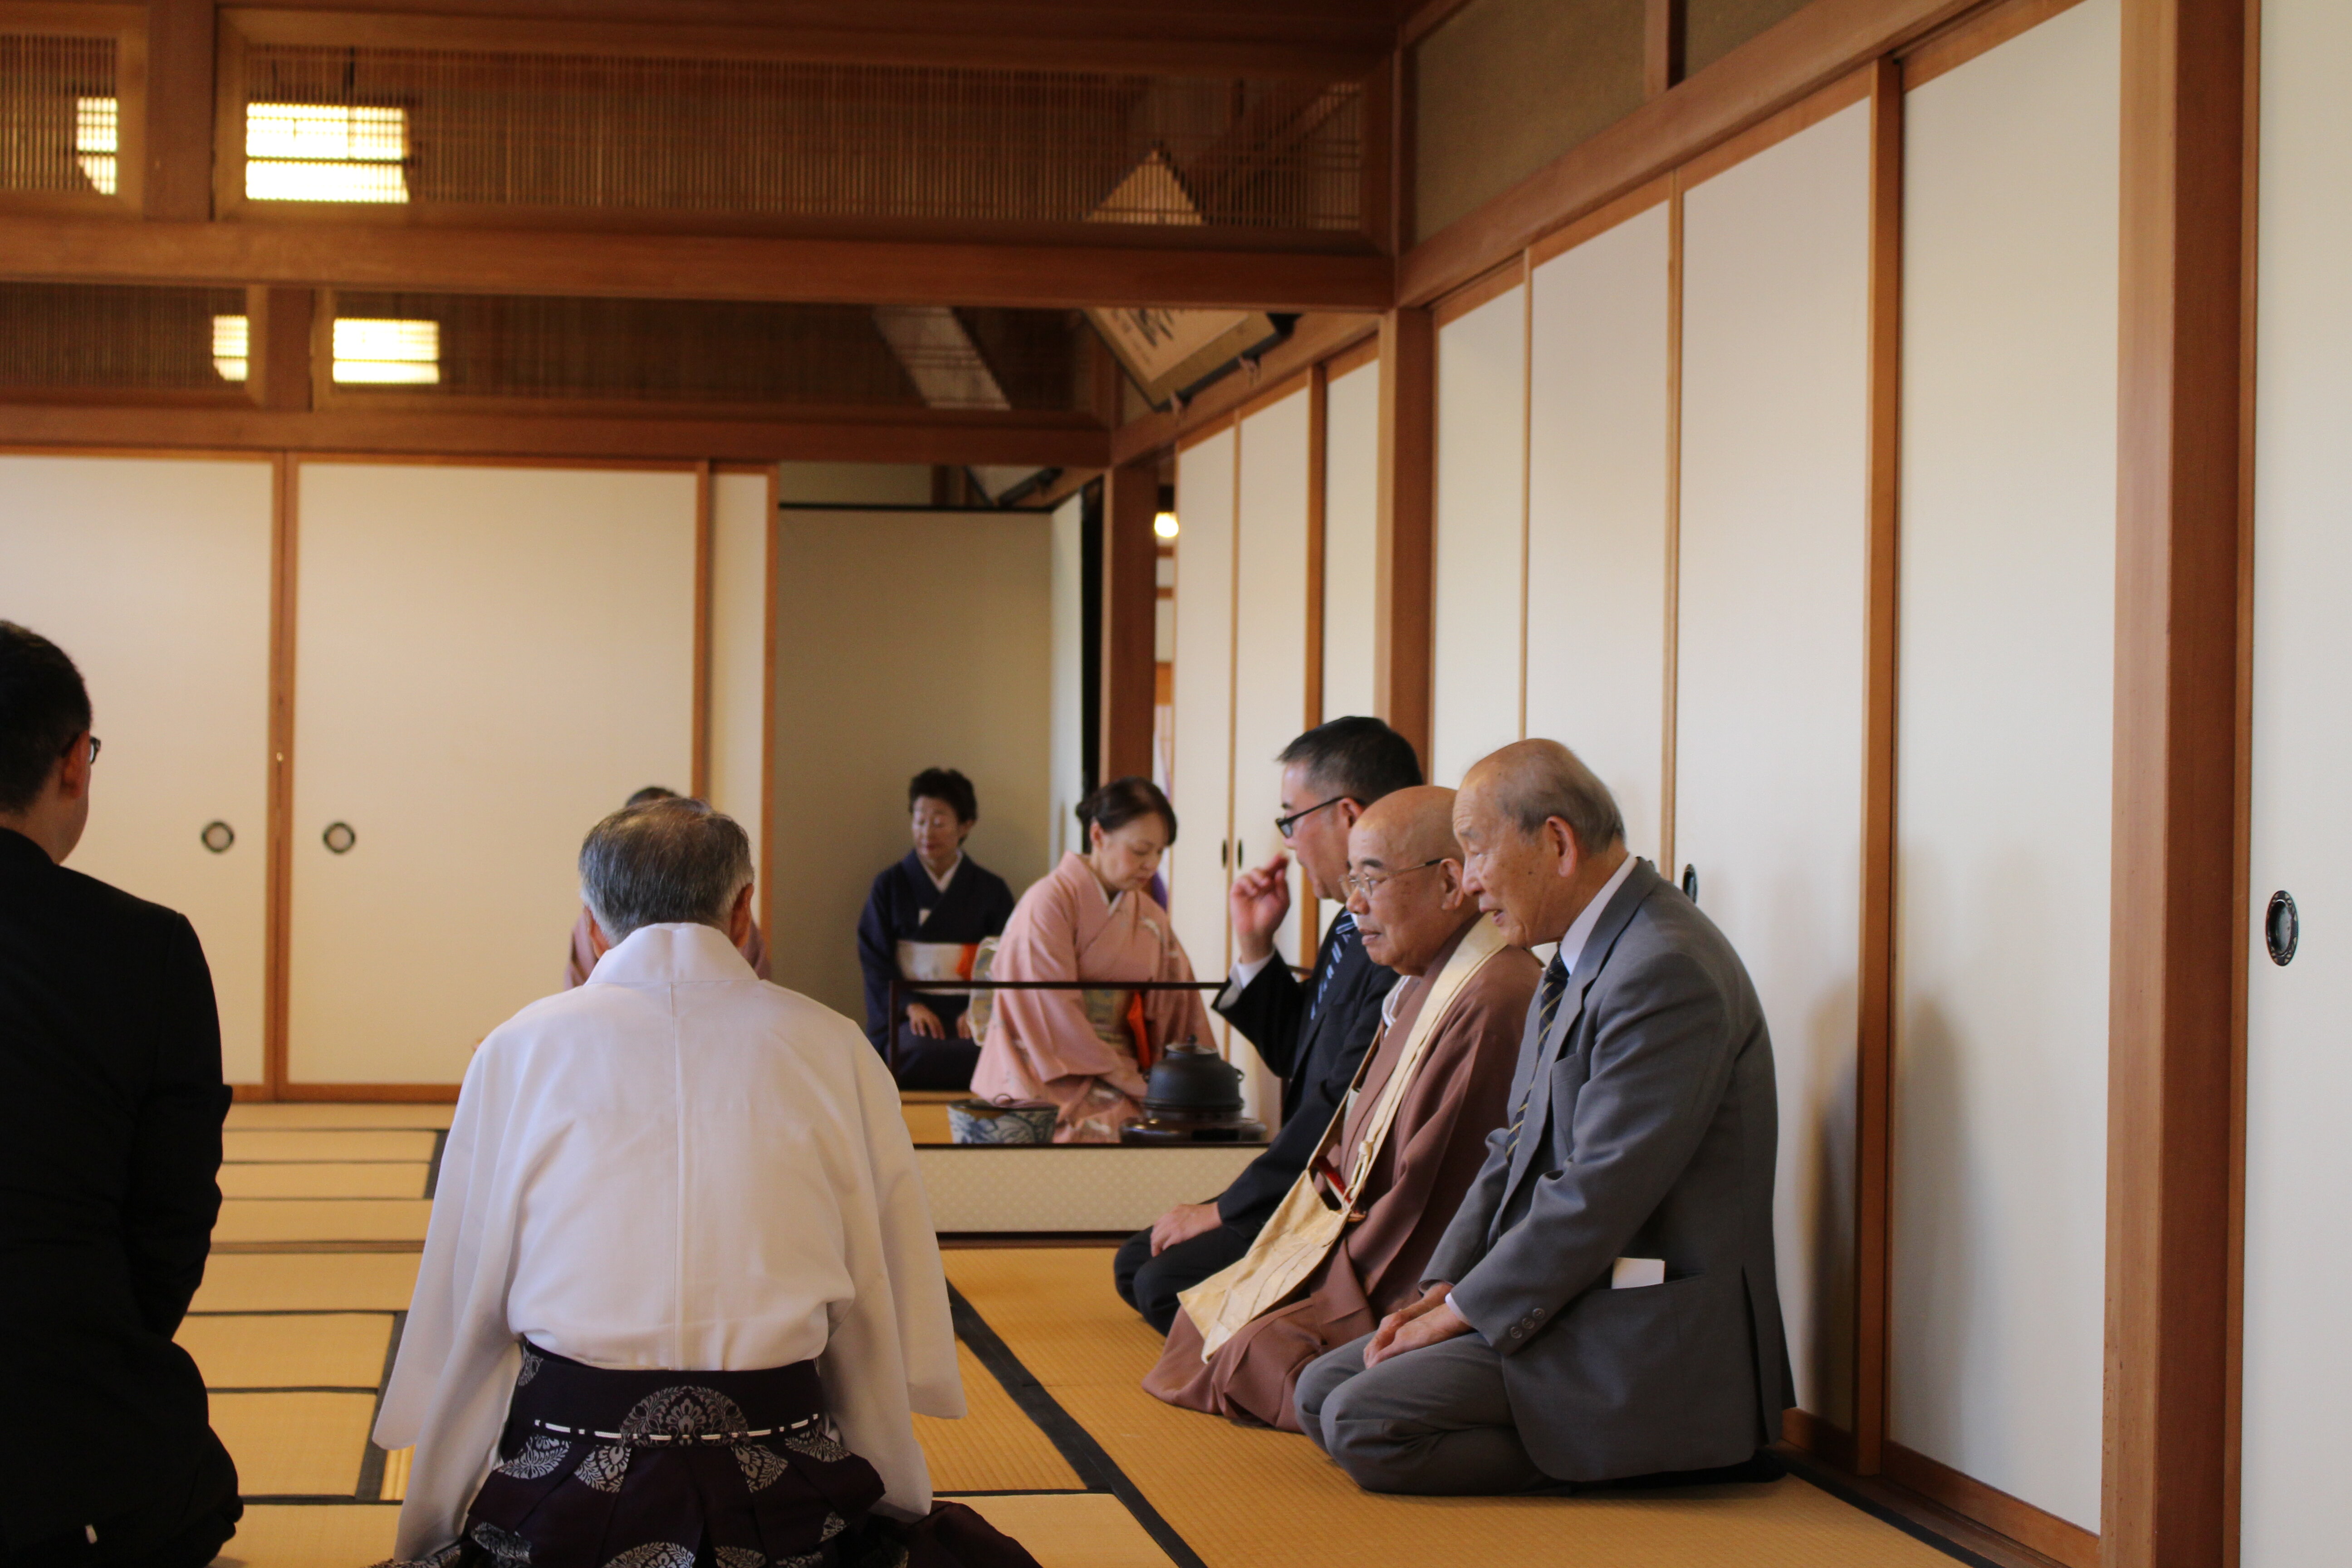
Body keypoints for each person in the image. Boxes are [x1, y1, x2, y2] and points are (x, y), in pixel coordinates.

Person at [376, 796, 1038, 1568]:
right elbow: (872, 1297)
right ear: (742, 910)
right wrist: (899, 1500)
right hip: (787, 1506)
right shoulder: (834, 1048)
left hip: (560, 1506)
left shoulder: (516, 1050)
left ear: (591, 922)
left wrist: (430, 1524)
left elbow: (472, 1308)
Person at [1294, 740, 1791, 1494]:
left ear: (1555, 843)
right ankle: (1587, 1435)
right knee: (1316, 1392)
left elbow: (1599, 1191)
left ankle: (1659, 1445)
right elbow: (1509, 1148)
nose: (1465, 880)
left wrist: (1464, 1312)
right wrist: (1443, 1288)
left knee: (1361, 1422)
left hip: (1634, 1321)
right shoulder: (1576, 954)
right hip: (1561, 1296)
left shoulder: (1664, 965)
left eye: (1474, 851)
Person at [1143, 786, 1536, 1429]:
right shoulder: (1423, 980)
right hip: (1347, 1221)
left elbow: (1433, 1196)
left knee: (1253, 1346)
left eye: (1372, 881)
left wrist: (1328, 1287)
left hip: (1395, 1263)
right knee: (1197, 1308)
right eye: (1352, 881)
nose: (1354, 904)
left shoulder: (1491, 998)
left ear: (1448, 884)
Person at [0, 621, 241, 1567]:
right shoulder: (147, 949)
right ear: (72, 763)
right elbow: (172, 1220)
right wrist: (99, 1345)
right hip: (76, 1460)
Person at [1115, 716, 1421, 1330]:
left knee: (1161, 1284)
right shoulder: (1348, 923)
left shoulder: (1402, 937)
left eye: (1292, 818)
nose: (1288, 841)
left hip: (1337, 1196)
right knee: (1137, 1264)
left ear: (1349, 815)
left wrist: (1227, 1208)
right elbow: (1298, 1055)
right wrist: (1256, 946)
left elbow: (1339, 1105)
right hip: (1300, 1176)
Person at [969, 778, 1213, 1143]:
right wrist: (1123, 1077)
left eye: (1160, 853)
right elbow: (1049, 1009)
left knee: (1180, 1128)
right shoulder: (1047, 902)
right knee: (1096, 1132)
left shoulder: (1150, 916)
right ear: (1098, 836)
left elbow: (1179, 1007)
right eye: (1141, 850)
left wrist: (1192, 1078)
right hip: (1040, 1066)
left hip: (1124, 1071)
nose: (1152, 865)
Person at [856, 768, 1018, 1090]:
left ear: (965, 825)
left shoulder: (991, 889)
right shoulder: (889, 886)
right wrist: (909, 1006)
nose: (926, 832)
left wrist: (978, 1009)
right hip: (910, 1012)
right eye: (919, 821)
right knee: (914, 1053)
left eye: (939, 822)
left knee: (993, 1053)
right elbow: (875, 959)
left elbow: (1006, 957)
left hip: (970, 1013)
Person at [564, 785, 769, 987]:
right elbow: (579, 992)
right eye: (642, 839)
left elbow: (757, 989)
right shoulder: (599, 916)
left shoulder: (728, 908)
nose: (658, 850)